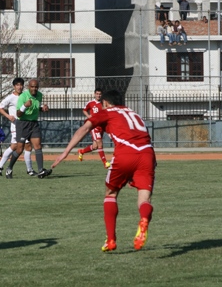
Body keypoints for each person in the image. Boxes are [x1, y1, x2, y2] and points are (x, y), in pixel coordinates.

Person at [52, 89, 156, 252]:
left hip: (125, 153)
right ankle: (144, 218)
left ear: (106, 103)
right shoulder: (133, 113)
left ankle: (111, 240)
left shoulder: (106, 112)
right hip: (148, 154)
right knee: (144, 199)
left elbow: (84, 129)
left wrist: (65, 152)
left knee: (110, 194)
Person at [4, 79, 52, 179]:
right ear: (28, 87)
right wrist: (24, 106)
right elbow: (18, 114)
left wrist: (42, 109)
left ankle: (40, 171)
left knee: (38, 146)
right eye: (32, 87)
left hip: (34, 123)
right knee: (19, 149)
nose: (34, 89)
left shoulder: (39, 95)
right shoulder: (23, 97)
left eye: (36, 87)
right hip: (22, 124)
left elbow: (35, 108)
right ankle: (9, 169)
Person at [0, 77, 38, 177]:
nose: (19, 87)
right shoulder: (10, 97)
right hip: (16, 126)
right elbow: (0, 108)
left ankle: (0, 166)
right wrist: (8, 116)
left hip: (24, 125)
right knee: (22, 146)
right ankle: (29, 170)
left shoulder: (25, 96)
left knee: (19, 146)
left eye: (21, 85)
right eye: (17, 85)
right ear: (14, 86)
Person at [77, 88, 110, 168]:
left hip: (101, 126)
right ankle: (105, 162)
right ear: (94, 94)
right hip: (94, 126)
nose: (98, 95)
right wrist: (89, 116)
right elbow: (84, 110)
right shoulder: (91, 103)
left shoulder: (104, 103)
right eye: (97, 94)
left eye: (100, 94)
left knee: (95, 146)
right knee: (100, 142)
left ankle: (81, 151)